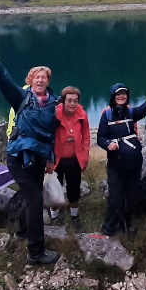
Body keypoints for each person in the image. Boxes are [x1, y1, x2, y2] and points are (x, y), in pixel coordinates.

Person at [0, 39, 60, 265]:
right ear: (30, 81)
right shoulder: (21, 98)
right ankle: (36, 251)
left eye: (44, 77)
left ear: (48, 82)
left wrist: (51, 159)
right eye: (37, 77)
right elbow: (3, 78)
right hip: (18, 158)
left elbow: (52, 133)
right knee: (35, 198)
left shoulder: (54, 104)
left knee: (29, 195)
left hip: (39, 158)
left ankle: (22, 230)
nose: (40, 80)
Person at [97, 83, 146, 236]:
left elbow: (141, 110)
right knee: (115, 197)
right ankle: (108, 227)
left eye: (124, 93)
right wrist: (108, 144)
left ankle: (127, 223)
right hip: (116, 163)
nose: (121, 96)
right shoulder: (107, 114)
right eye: (118, 94)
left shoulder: (131, 112)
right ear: (113, 97)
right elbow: (100, 138)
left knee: (132, 195)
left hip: (134, 162)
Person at [49, 85, 90, 231]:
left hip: (74, 159)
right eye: (69, 100)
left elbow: (86, 137)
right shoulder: (54, 114)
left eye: (75, 101)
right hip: (56, 160)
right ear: (63, 101)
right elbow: (47, 137)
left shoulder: (82, 115)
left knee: (74, 192)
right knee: (54, 192)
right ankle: (54, 218)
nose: (72, 104)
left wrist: (84, 157)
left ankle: (74, 218)